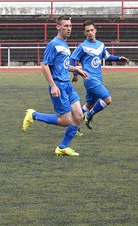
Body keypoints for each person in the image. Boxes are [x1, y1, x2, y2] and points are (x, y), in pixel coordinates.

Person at [22, 16, 88, 156]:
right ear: (58, 27)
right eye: (65, 26)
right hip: (58, 85)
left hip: (68, 85)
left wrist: (75, 69)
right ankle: (33, 115)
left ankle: (62, 147)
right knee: (66, 121)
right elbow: (44, 65)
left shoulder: (64, 44)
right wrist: (52, 85)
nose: (69, 28)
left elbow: (62, 66)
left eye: (70, 26)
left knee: (79, 116)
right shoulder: (53, 44)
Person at [70, 20, 129, 129]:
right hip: (89, 79)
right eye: (87, 31)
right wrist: (75, 73)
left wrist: (119, 58)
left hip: (98, 79)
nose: (90, 32)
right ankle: (89, 115)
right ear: (84, 33)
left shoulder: (101, 45)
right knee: (107, 99)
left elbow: (107, 56)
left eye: (92, 30)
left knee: (89, 105)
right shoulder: (82, 46)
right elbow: (72, 59)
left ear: (95, 30)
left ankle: (73, 126)